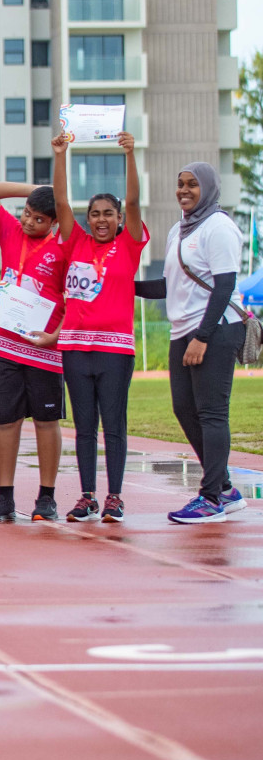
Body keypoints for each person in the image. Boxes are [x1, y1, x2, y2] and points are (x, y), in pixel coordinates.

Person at [132, 162, 251, 524]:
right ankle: (226, 488)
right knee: (184, 409)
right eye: (180, 184)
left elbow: (225, 285)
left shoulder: (219, 227)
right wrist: (125, 286)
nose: (183, 190)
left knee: (212, 413)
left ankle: (211, 497)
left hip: (214, 330)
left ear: (209, 189)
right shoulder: (178, 231)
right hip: (181, 330)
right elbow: (170, 286)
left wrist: (202, 336)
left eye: (192, 185)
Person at [54, 131, 146, 523]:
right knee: (84, 426)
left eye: (109, 213)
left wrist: (129, 154)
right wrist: (60, 155)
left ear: (120, 219)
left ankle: (115, 497)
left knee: (114, 424)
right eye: (96, 214)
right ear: (87, 219)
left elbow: (135, 200)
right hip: (75, 347)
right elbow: (60, 201)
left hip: (114, 349)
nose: (102, 219)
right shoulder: (76, 242)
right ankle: (87, 496)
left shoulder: (129, 245)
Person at [0, 175, 73, 522]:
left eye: (39, 218)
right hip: (5, 344)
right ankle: (4, 499)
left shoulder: (64, 243)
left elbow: (75, 295)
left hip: (44, 347)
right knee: (7, 421)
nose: (29, 221)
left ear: (55, 221)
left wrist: (56, 336)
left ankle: (46, 498)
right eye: (27, 213)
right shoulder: (10, 231)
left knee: (46, 422)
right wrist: (39, 191)